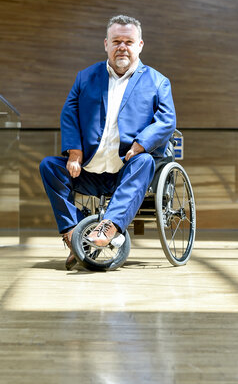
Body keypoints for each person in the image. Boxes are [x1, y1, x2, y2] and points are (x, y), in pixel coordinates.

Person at [39, 15, 176, 270]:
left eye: (128, 41)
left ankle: (109, 227)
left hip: (127, 169)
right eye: (116, 41)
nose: (122, 47)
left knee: (145, 161)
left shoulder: (157, 81)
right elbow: (69, 113)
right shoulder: (85, 77)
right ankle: (74, 237)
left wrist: (140, 145)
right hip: (89, 168)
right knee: (49, 166)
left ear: (140, 45)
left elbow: (167, 121)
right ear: (106, 44)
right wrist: (75, 152)